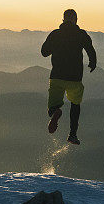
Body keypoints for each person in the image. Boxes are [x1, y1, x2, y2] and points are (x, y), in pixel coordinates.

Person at [40, 9, 97, 145]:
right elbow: (90, 50)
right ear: (76, 20)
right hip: (75, 77)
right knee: (75, 104)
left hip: (57, 76)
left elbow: (44, 52)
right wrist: (92, 63)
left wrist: (56, 46)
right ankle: (72, 134)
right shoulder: (81, 34)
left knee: (53, 105)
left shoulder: (55, 34)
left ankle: (55, 112)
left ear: (63, 20)